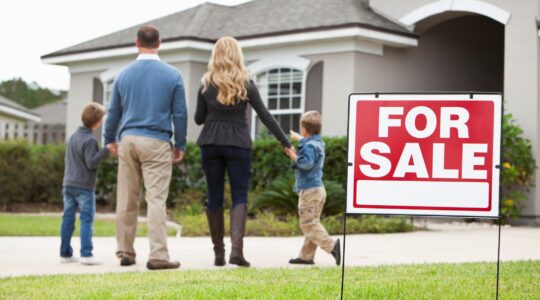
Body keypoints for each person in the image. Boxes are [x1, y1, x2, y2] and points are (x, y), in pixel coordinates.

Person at [195, 36, 292, 267]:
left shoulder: (206, 83)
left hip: (210, 142)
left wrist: (213, 111)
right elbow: (265, 115)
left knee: (214, 195)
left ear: (215, 55)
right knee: (239, 196)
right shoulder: (245, 82)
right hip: (238, 142)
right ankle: (236, 252)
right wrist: (286, 143)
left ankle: (219, 253)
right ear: (237, 55)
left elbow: (199, 119)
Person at [104, 25, 187, 270]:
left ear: (137, 43)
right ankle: (158, 255)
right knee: (156, 199)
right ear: (159, 43)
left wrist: (109, 139)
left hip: (128, 140)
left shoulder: (123, 75)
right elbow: (180, 114)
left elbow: (113, 113)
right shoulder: (173, 75)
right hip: (157, 141)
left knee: (127, 199)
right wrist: (179, 144)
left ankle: (126, 253)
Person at [284, 111, 341, 265]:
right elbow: (309, 149)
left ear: (304, 129)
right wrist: (299, 140)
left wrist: (293, 155)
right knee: (312, 222)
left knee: (308, 224)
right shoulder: (318, 143)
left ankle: (332, 246)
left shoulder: (309, 146)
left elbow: (306, 164)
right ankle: (306, 256)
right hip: (317, 190)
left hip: (309, 191)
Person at [60, 102, 112, 265]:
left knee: (68, 219)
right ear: (97, 123)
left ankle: (65, 253)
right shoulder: (90, 140)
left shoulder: (73, 137)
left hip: (68, 184)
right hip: (84, 187)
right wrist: (106, 151)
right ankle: (86, 254)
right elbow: (91, 162)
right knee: (86, 220)